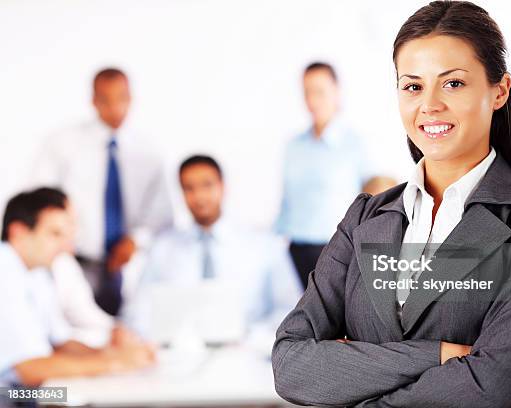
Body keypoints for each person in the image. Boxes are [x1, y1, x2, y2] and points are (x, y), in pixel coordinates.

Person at [272, 2, 511, 407]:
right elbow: (290, 364)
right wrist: (434, 355)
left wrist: (349, 376)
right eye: (413, 86)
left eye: (453, 83)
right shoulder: (364, 217)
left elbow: (494, 387)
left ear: (499, 90)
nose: (429, 105)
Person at [30, 68, 173, 316]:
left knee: (118, 330)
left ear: (131, 98)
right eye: (106, 100)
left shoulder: (148, 151)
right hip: (73, 262)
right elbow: (37, 201)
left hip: (125, 266)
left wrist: (136, 240)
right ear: (94, 101)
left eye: (122, 98)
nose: (115, 108)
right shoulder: (63, 143)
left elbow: (161, 214)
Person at [122, 155, 302, 350]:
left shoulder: (263, 245)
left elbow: (290, 311)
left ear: (223, 187)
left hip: (248, 357)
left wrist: (250, 338)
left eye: (207, 185)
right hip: (177, 358)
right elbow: (138, 311)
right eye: (189, 188)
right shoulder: (164, 248)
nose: (199, 197)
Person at [0, 188, 155, 388]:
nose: (67, 248)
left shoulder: (36, 273)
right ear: (18, 232)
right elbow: (29, 370)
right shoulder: (4, 274)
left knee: (87, 397)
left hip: (24, 393)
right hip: (8, 396)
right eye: (55, 234)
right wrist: (114, 363)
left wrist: (112, 354)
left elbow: (61, 342)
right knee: (78, 399)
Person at [276, 62, 372, 289]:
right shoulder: (293, 146)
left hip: (336, 251)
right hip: (296, 250)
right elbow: (287, 200)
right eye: (307, 92)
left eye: (320, 91)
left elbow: (372, 198)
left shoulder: (355, 144)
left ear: (336, 92)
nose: (313, 100)